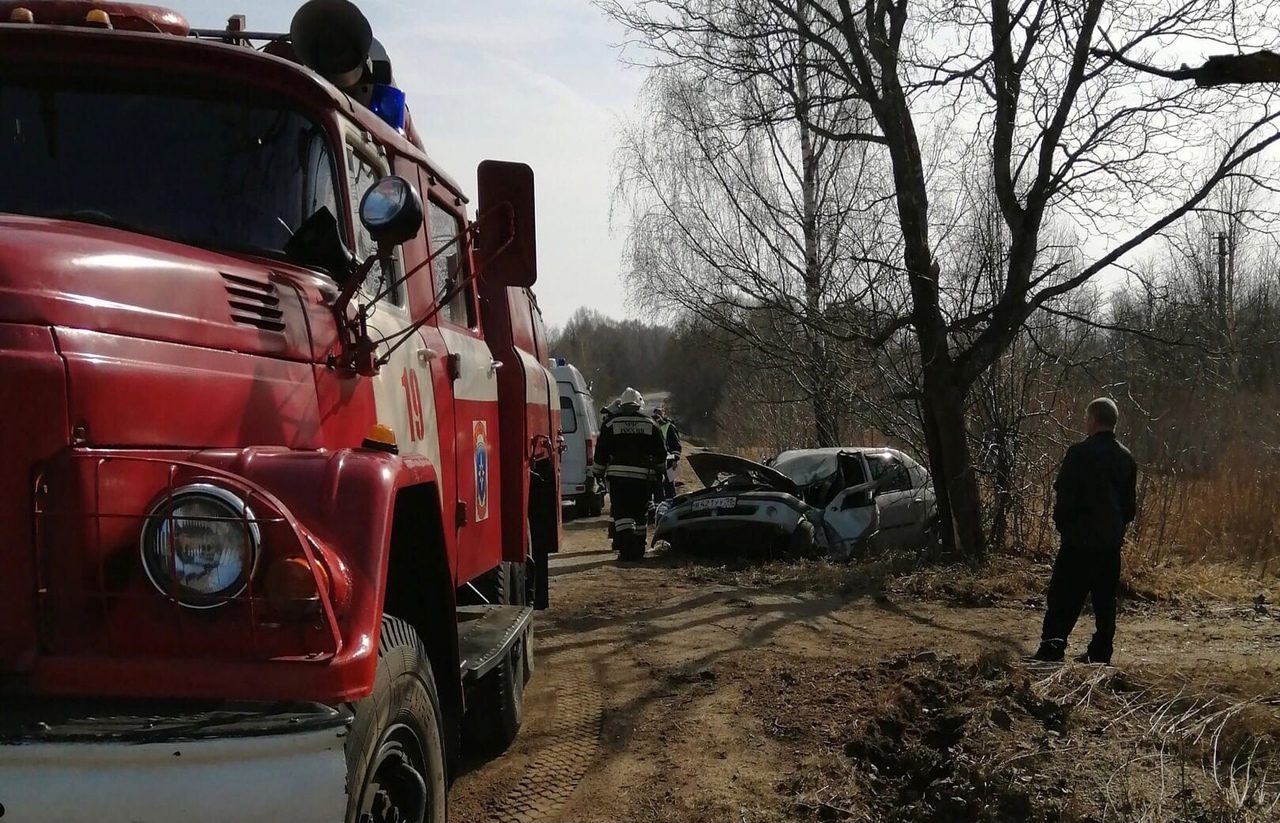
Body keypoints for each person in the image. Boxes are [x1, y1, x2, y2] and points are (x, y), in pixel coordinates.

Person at [1028, 397, 1138, 665]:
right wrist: (1115, 529)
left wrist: (1063, 524)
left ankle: (1052, 648)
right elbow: (1129, 507)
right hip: (1109, 544)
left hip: (1079, 541)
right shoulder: (1126, 458)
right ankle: (1100, 651)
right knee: (1105, 602)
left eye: (1087, 418)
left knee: (1063, 598)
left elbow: (1066, 495)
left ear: (1093, 420)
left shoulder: (1079, 454)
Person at [592, 388, 668, 560]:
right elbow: (661, 454)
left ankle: (627, 551)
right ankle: (639, 550)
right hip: (642, 479)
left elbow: (601, 452)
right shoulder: (651, 423)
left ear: (622, 404)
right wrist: (660, 472)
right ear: (639, 404)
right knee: (640, 514)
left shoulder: (610, 424)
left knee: (621, 514)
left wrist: (597, 473)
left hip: (618, 480)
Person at [651, 406, 683, 503]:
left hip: (669, 460)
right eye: (656, 413)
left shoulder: (669, 427)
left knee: (669, 484)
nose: (657, 415)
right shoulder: (650, 426)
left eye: (659, 413)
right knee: (657, 485)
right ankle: (658, 503)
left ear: (663, 414)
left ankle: (670, 502)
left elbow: (676, 445)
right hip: (656, 460)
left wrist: (675, 460)